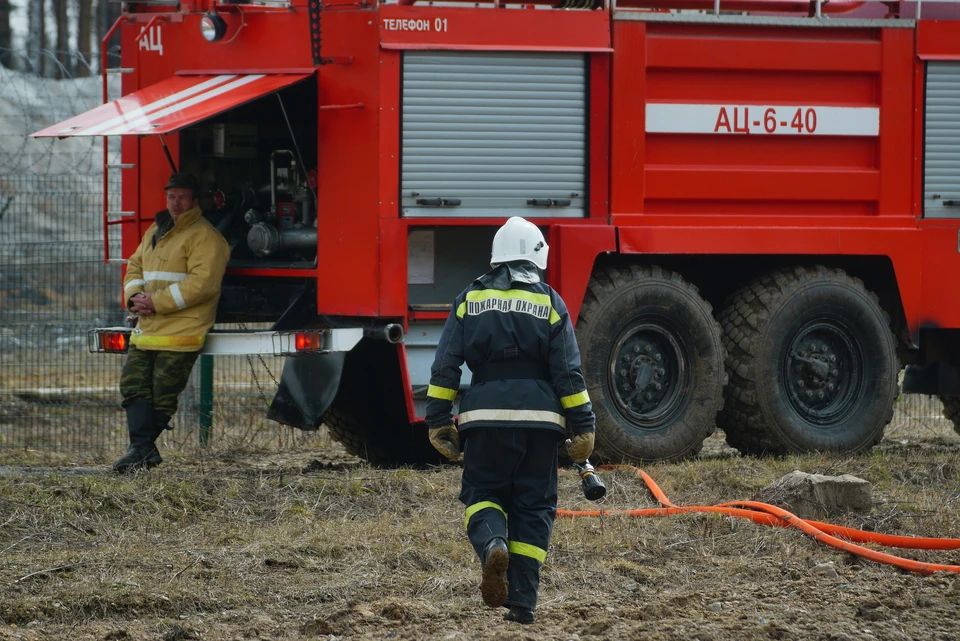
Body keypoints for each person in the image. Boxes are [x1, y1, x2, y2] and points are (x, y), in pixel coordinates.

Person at [425, 216, 596, 625]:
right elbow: (568, 374)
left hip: (483, 419)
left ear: (496, 256)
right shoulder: (551, 302)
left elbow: (445, 364)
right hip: (541, 424)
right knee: (534, 507)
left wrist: (438, 420)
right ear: (538, 256)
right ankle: (523, 603)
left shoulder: (469, 299)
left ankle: (493, 544)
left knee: (482, 494)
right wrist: (584, 426)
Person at [113, 173, 230, 473]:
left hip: (182, 332)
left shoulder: (205, 236)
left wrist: (156, 302)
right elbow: (135, 264)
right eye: (170, 196)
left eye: (181, 197)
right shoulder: (157, 229)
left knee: (162, 394)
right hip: (148, 326)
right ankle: (142, 451)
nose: (174, 202)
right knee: (132, 385)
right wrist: (134, 297)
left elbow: (203, 284)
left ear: (193, 201)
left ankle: (139, 451)